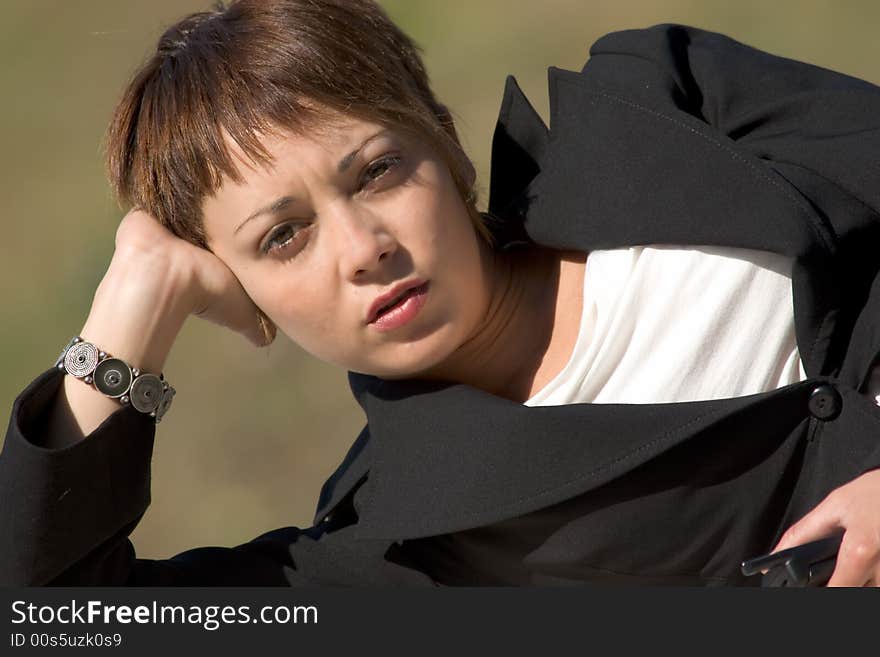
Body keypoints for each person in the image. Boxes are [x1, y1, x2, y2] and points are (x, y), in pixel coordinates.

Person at [2, 0, 880, 586]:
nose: (363, 249)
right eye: (283, 236)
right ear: (240, 289)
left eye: (378, 170)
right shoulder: (402, 551)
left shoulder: (663, 103)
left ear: (448, 147)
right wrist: (128, 315)